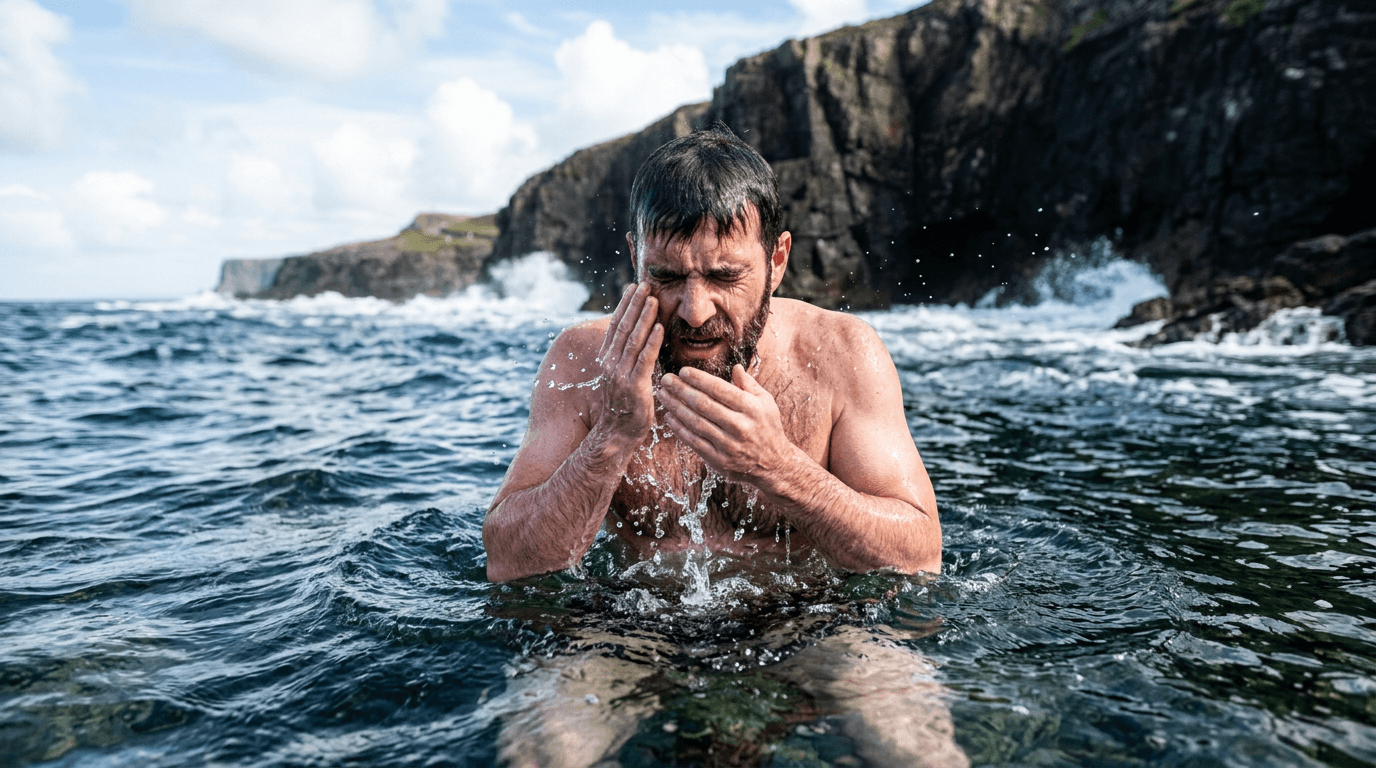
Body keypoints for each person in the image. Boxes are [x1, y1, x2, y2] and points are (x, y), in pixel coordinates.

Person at [483, 123, 943, 584]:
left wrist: (780, 468)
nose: (696, 312)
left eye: (724, 277)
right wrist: (614, 433)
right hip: (633, 629)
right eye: (666, 277)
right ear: (634, 258)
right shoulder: (584, 361)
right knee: (563, 660)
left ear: (776, 261)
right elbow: (509, 562)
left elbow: (920, 555)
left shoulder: (842, 354)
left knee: (882, 659)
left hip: (809, 620)